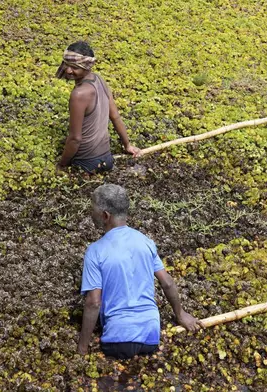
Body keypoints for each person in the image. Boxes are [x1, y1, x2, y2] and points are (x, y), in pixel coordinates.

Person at [78, 184, 203, 359]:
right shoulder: (146, 242)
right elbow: (167, 282)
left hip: (117, 340)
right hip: (151, 338)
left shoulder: (95, 251)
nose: (90, 213)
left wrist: (82, 348)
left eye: (93, 209)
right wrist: (180, 314)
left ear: (105, 216)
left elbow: (94, 302)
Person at [55, 41, 141, 174]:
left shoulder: (79, 94)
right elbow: (115, 116)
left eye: (75, 67)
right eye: (67, 65)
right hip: (107, 159)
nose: (68, 70)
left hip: (86, 163)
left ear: (87, 67)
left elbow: (75, 138)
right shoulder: (99, 79)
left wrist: (61, 165)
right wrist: (127, 145)